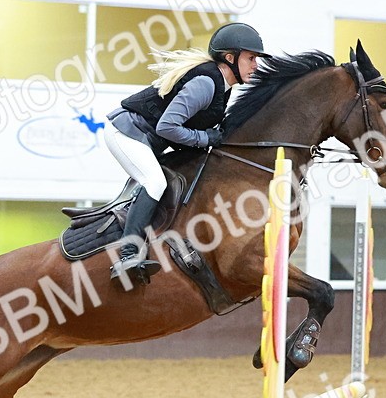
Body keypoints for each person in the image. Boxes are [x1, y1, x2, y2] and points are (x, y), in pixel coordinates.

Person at [104, 22, 269, 287]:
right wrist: (205, 138)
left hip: (147, 138)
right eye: (251, 58)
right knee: (154, 183)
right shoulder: (205, 83)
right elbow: (166, 127)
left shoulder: (223, 86)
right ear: (230, 58)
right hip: (126, 132)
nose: (256, 65)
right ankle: (127, 255)